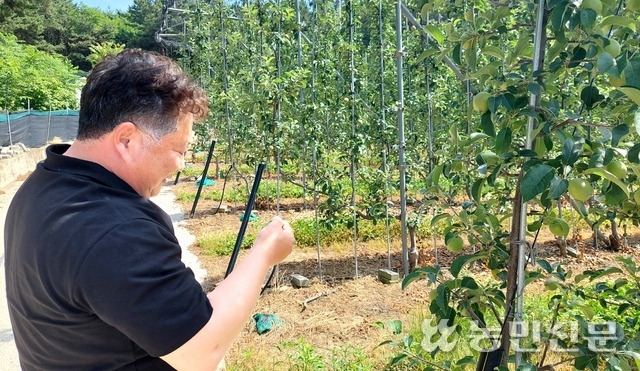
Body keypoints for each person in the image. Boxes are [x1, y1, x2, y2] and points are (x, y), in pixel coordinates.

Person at [4, 48, 294, 370]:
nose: (181, 164)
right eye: (178, 149)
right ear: (127, 140)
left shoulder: (41, 186)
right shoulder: (115, 232)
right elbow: (202, 351)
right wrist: (264, 253)